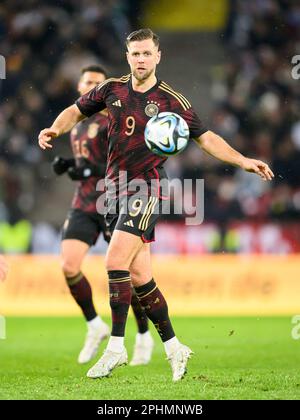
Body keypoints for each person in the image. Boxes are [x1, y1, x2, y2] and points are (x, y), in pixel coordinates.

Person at [38, 29, 274, 381]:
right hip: (113, 190)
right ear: (127, 56)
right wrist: (53, 130)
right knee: (139, 277)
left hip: (146, 188)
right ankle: (175, 347)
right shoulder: (111, 90)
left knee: (114, 260)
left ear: (158, 56)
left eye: (147, 53)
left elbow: (206, 137)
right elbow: (75, 111)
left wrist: (242, 160)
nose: (141, 60)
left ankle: (115, 348)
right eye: (135, 54)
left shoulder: (171, 101)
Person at [52, 64, 154, 365]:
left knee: (129, 274)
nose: (92, 87)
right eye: (87, 82)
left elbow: (120, 162)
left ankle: (143, 335)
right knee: (69, 265)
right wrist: (70, 164)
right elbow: (90, 159)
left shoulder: (115, 120)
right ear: (80, 88)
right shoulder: (79, 122)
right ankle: (95, 326)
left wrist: (87, 169)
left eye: (98, 83)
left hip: (114, 201)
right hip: (84, 203)